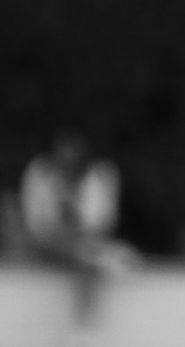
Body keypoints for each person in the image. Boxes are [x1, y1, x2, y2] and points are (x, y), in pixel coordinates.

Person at [16, 131, 129, 323]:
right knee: (88, 258)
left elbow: (104, 221)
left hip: (87, 242)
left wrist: (83, 236)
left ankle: (98, 259)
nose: (69, 157)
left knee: (86, 258)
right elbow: (35, 225)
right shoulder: (40, 172)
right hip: (49, 242)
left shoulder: (100, 174)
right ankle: (105, 259)